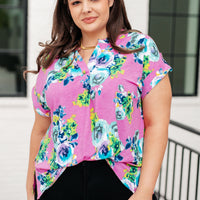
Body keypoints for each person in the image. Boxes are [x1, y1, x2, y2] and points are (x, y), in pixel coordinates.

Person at [26, 0, 172, 200]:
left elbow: (156, 124)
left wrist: (145, 191)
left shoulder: (140, 49)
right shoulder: (54, 59)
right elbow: (41, 129)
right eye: (76, 2)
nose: (86, 8)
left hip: (120, 183)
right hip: (56, 182)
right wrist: (30, 187)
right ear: (67, 8)